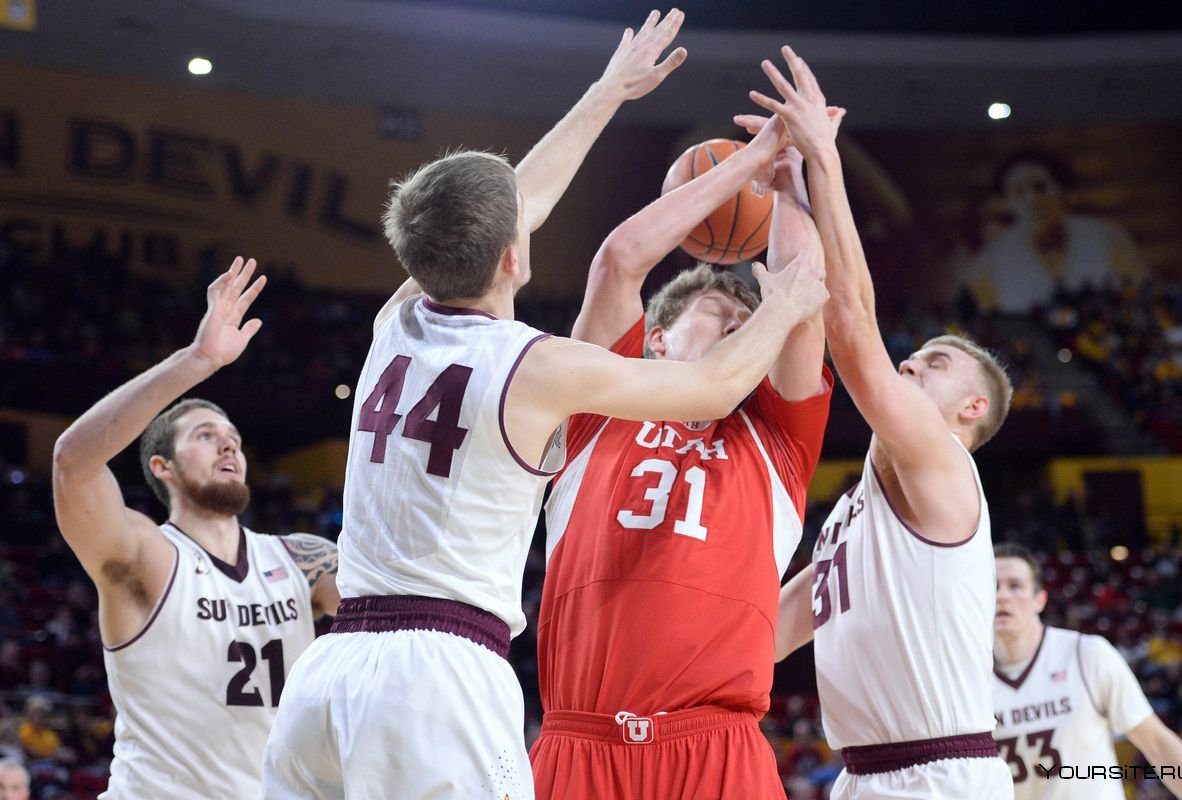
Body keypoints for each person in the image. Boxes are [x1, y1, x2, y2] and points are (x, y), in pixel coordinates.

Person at [259, 10, 830, 800]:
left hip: (335, 667)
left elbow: (515, 208)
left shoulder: (394, 324)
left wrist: (605, 95)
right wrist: (783, 296)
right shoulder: (541, 367)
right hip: (445, 673)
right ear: (513, 255)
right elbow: (705, 376)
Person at [528, 114, 833, 800]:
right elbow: (618, 262)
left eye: (747, 319)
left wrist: (787, 183)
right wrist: (739, 166)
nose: (737, 321)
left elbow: (802, 295)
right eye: (719, 308)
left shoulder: (779, 438)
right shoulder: (596, 407)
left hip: (717, 745)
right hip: (580, 741)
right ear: (656, 341)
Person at [759, 48, 1015, 798]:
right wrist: (787, 187)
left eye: (935, 364)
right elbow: (781, 624)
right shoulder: (857, 513)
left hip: (940, 775)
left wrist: (824, 160)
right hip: (864, 775)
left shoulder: (943, 464)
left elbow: (852, 326)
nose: (911, 364)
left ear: (972, 411)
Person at [51, 256, 340, 799]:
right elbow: (73, 462)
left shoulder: (303, 559)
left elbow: (395, 612)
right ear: (163, 467)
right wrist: (198, 359)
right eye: (206, 435)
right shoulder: (149, 557)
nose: (228, 442)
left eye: (231, 435)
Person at [992, 542, 1182, 799]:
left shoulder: (1087, 654)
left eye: (1015, 586)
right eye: (992, 587)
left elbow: (1156, 742)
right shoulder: (966, 676)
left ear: (1040, 599)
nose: (1002, 596)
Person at [961, 151, 1147, 313]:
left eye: (1040, 187)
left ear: (1063, 190)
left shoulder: (1104, 237)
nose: (1032, 200)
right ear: (1006, 203)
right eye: (1018, 192)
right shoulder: (994, 258)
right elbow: (968, 316)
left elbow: (1145, 296)